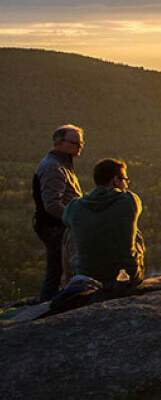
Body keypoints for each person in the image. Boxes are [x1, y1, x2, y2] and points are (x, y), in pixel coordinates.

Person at [62, 158, 144, 286]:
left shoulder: (74, 206)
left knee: (70, 231)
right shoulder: (129, 200)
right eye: (125, 180)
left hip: (85, 276)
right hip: (123, 276)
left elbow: (66, 219)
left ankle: (68, 279)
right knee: (136, 233)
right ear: (116, 181)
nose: (126, 185)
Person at [32, 125, 85, 301]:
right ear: (59, 143)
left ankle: (49, 303)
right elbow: (52, 204)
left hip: (58, 226)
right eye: (75, 142)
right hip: (55, 227)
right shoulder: (53, 167)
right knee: (57, 270)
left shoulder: (61, 164)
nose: (80, 146)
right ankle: (47, 306)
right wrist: (73, 220)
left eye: (81, 142)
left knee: (59, 270)